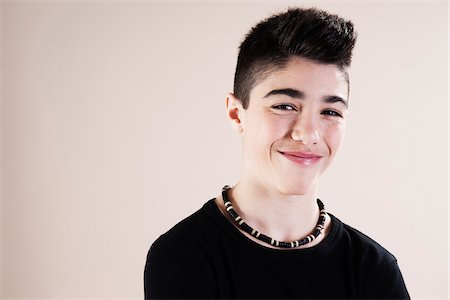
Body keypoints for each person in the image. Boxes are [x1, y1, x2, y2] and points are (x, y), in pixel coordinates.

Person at [144, 7, 410, 299]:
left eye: (330, 111)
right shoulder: (185, 256)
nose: (308, 134)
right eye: (285, 106)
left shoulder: (373, 268)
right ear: (236, 113)